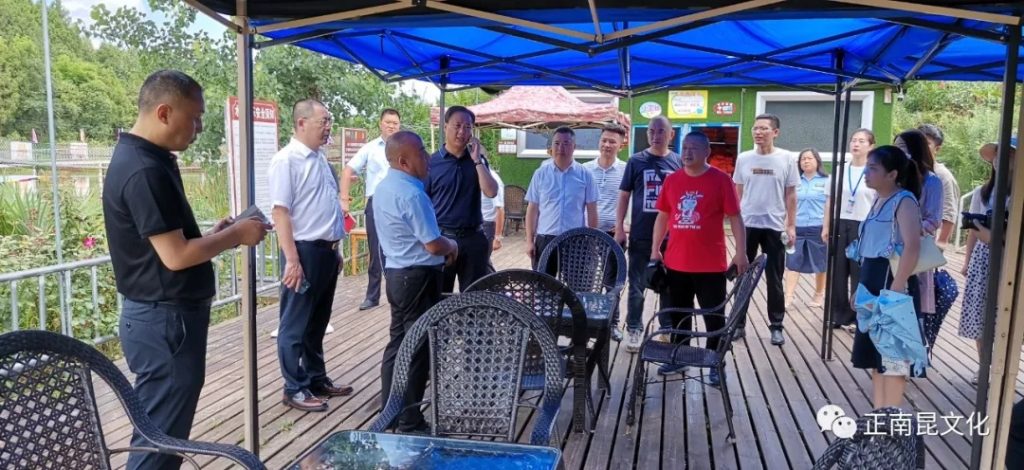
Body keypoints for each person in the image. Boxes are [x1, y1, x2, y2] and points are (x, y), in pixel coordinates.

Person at [102, 70, 270, 470]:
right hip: (164, 322)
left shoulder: (146, 159)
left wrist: (215, 235)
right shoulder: (144, 169)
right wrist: (236, 235)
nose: (199, 128)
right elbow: (175, 257)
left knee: (162, 435)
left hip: (162, 319)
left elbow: (163, 247)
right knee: (159, 442)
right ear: (164, 112)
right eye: (194, 118)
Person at [269, 99, 352, 413]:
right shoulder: (286, 160)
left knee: (317, 322)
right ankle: (294, 387)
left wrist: (336, 249)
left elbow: (327, 207)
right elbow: (280, 212)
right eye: (323, 121)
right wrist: (292, 260)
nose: (328, 127)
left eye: (329, 121)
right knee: (294, 324)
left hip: (326, 252)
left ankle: (316, 378)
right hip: (302, 252)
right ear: (302, 123)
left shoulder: (320, 159)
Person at [375, 130, 459, 432]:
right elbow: (433, 244)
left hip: (397, 275)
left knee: (398, 344)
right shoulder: (412, 194)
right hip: (418, 276)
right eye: (421, 152)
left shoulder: (384, 187)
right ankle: (409, 421)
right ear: (403, 161)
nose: (427, 158)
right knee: (417, 350)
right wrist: (453, 245)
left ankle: (389, 413)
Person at [650, 131, 748, 383]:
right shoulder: (672, 180)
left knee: (714, 318)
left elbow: (735, 217)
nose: (687, 152)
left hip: (710, 265)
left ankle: (715, 361)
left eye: (694, 148)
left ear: (707, 152)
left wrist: (741, 252)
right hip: (676, 263)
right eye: (684, 147)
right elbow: (663, 216)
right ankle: (680, 357)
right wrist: (655, 250)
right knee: (678, 314)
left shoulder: (721, 180)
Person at [849, 145, 924, 409]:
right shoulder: (878, 200)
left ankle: (889, 417)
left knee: (894, 358)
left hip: (892, 281)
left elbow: (912, 246)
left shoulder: (904, 201)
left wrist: (896, 288)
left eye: (873, 169)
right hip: (872, 279)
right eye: (867, 168)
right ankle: (879, 414)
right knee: (875, 355)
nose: (866, 173)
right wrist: (859, 290)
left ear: (892, 174)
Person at [615, 115, 681, 352]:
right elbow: (624, 195)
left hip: (671, 237)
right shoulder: (636, 161)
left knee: (669, 285)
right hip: (641, 234)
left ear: (671, 134)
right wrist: (620, 227)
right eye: (652, 131)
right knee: (636, 286)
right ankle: (634, 329)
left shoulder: (678, 162)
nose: (656, 135)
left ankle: (666, 329)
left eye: (661, 131)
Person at [733, 113, 798, 346]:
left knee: (775, 278)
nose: (758, 132)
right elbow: (737, 193)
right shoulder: (744, 158)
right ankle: (738, 324)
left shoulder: (787, 159)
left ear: (775, 132)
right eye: (755, 128)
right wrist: (735, 223)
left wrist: (791, 224)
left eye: (763, 128)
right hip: (747, 224)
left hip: (775, 226)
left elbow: (791, 194)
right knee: (743, 276)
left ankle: (776, 326)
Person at [959, 138, 1015, 385]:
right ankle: (984, 366)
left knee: (1005, 312)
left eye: (1009, 155)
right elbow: (972, 231)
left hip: (1009, 259)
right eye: (998, 155)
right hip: (983, 258)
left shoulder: (1018, 194)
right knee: (979, 312)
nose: (1000, 160)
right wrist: (967, 261)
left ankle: (1003, 367)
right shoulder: (982, 192)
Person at [427, 106, 499, 292]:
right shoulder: (431, 162)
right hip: (442, 238)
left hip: (473, 238)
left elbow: (491, 192)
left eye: (467, 127)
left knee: (473, 298)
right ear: (445, 127)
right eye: (457, 125)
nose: (462, 132)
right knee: (441, 296)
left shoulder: (477, 161)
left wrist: (477, 160)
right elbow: (423, 202)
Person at [342, 109, 402, 310]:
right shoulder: (370, 148)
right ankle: (372, 295)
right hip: (376, 203)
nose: (391, 126)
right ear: (380, 123)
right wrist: (344, 200)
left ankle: (398, 293)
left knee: (399, 248)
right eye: (388, 122)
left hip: (399, 203)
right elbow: (348, 170)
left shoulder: (404, 147)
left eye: (395, 123)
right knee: (375, 250)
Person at [823, 129, 877, 330]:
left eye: (861, 141)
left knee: (859, 272)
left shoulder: (874, 170)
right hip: (840, 222)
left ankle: (858, 316)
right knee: (837, 271)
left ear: (871, 146)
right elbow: (830, 199)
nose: (856, 144)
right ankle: (838, 314)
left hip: (863, 224)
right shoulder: (841, 169)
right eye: (853, 140)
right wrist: (826, 225)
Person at [525, 126, 599, 273]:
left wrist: (592, 241)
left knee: (575, 283)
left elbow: (592, 210)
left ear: (574, 147)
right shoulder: (540, 174)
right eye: (557, 143)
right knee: (544, 284)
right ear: (551, 147)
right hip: (545, 239)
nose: (561, 148)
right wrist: (529, 241)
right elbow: (532, 209)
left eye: (566, 143)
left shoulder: (585, 174)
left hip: (575, 239)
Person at [582, 123, 628, 340]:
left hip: (614, 234)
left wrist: (625, 225)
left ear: (621, 145)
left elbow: (632, 200)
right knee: (586, 279)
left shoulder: (626, 170)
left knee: (612, 282)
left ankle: (612, 323)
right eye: (604, 140)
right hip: (587, 234)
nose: (607, 145)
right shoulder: (585, 169)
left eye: (612, 142)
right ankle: (587, 322)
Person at [894, 129, 943, 321]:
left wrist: (909, 229)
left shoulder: (932, 181)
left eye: (902, 147)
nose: (897, 152)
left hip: (915, 249)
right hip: (890, 248)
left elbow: (934, 220)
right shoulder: (894, 177)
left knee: (912, 304)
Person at [784, 148, 830, 309]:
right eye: (803, 159)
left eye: (810, 158)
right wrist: (786, 226)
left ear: (817, 161)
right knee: (792, 261)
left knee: (820, 262)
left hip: (818, 227)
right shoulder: (794, 181)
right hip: (796, 227)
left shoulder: (827, 181)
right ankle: (789, 296)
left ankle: (818, 294)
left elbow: (830, 206)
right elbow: (787, 204)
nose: (806, 161)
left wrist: (827, 227)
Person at [917, 124, 961, 246]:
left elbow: (949, 214)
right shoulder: (909, 170)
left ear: (937, 149)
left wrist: (940, 244)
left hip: (925, 243)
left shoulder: (943, 176)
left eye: (926, 144)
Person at [481, 166, 505, 271]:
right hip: (478, 224)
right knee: (481, 262)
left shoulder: (492, 179)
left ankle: (495, 280)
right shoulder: (477, 176)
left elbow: (500, 210)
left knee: (482, 262)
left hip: (487, 226)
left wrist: (497, 238)